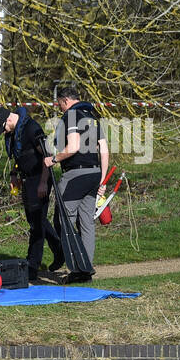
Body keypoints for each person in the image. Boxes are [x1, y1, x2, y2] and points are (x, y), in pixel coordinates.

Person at [0, 104, 63, 280]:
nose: (4, 132)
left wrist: (43, 183)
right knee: (36, 219)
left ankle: (32, 265)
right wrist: (14, 174)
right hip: (27, 179)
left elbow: (47, 156)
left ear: (9, 119)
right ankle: (59, 250)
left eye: (3, 128)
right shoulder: (15, 132)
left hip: (39, 179)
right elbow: (20, 156)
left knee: (36, 224)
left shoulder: (31, 128)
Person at [44, 85, 108, 282]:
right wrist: (103, 180)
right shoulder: (94, 117)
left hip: (75, 175)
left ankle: (77, 267)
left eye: (59, 105)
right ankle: (86, 268)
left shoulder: (71, 116)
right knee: (86, 222)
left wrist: (54, 159)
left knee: (63, 220)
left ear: (65, 100)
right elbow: (104, 150)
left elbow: (73, 147)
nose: (60, 109)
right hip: (94, 173)